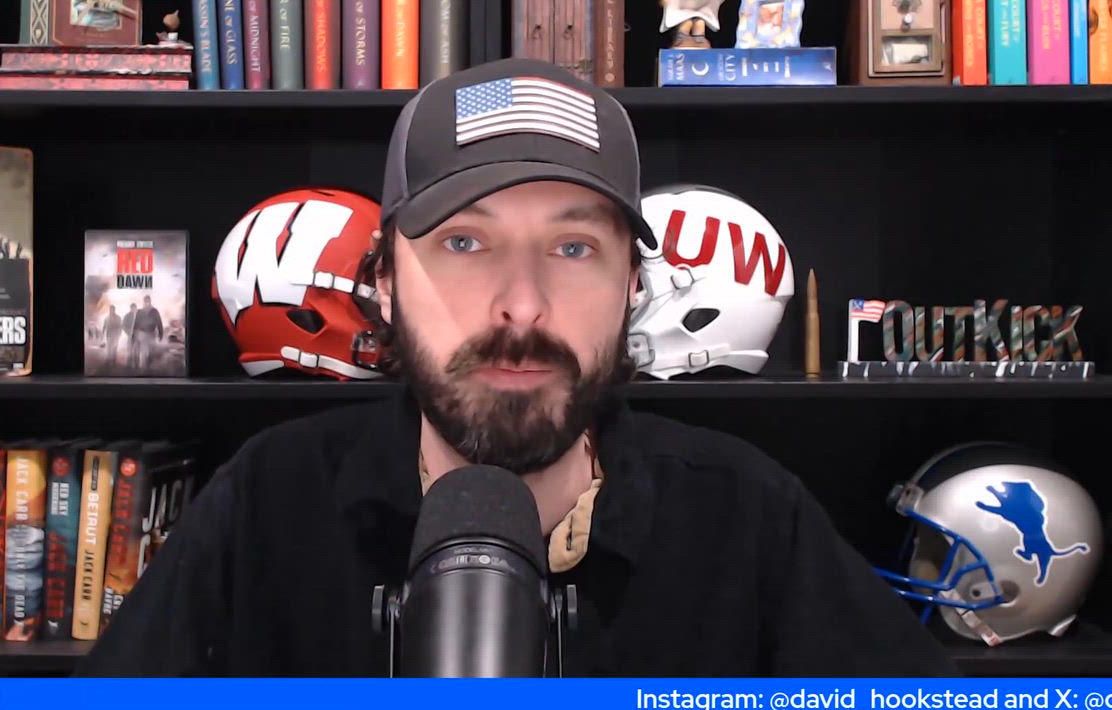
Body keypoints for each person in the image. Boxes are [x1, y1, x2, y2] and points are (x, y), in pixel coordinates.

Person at [74, 57, 959, 678]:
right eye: (464, 242)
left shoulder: (747, 514)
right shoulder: (270, 501)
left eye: (574, 248)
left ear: (632, 286)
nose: (523, 307)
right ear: (384, 281)